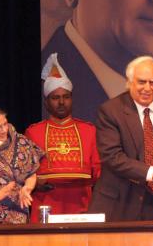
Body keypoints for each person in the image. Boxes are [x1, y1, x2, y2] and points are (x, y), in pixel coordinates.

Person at [88, 56, 153, 220]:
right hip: (121, 202)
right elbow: (112, 157)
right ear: (129, 82)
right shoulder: (111, 111)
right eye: (141, 82)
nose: (147, 88)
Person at [25, 53, 101, 222]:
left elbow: (98, 170)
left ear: (72, 99)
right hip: (46, 207)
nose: (61, 102)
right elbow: (24, 172)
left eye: (66, 97)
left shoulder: (88, 130)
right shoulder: (33, 132)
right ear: (46, 102)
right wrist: (36, 182)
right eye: (55, 98)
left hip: (82, 207)